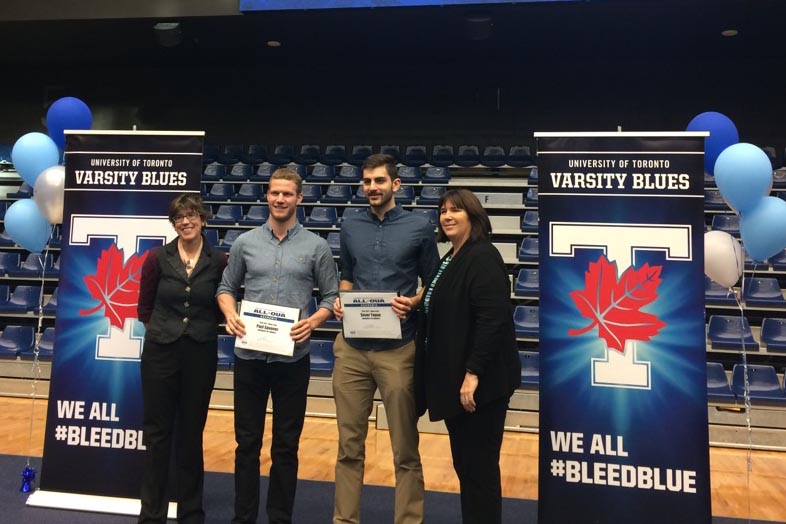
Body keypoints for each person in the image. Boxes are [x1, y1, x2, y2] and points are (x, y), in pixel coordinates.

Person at [217, 167, 338, 524]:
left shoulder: (316, 247)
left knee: (286, 445)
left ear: (299, 198)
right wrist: (230, 313)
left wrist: (313, 321)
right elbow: (225, 288)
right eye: (274, 193)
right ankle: (244, 517)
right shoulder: (244, 243)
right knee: (246, 444)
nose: (280, 199)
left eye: (287, 194)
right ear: (266, 196)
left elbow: (331, 297)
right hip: (249, 357)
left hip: (293, 359)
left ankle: (279, 517)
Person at [332, 153, 439, 524]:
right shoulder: (350, 224)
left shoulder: (420, 226)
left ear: (396, 184)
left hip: (399, 349)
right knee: (348, 446)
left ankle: (409, 520)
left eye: (379, 181)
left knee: (405, 449)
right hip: (352, 349)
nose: (372, 188)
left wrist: (412, 301)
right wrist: (341, 301)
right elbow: (347, 273)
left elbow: (431, 283)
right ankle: (344, 520)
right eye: (366, 182)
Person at [417, 188, 521, 524]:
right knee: (467, 466)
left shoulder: (483, 256)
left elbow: (493, 319)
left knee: (479, 470)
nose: (447, 216)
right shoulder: (451, 257)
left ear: (473, 216)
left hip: (480, 386)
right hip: (456, 381)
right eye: (443, 211)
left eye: (456, 211)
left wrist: (473, 372)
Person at [137, 193, 228, 524]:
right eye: (179, 217)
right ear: (173, 223)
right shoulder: (156, 258)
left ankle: (191, 513)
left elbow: (225, 305)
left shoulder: (219, 261)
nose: (186, 222)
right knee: (158, 436)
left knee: (191, 435)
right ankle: (152, 515)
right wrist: (166, 332)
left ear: (203, 219)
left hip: (200, 355)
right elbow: (144, 308)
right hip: (160, 354)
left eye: (191, 215)